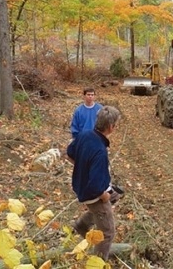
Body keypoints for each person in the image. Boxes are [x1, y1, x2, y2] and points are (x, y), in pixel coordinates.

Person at [67, 105, 121, 260]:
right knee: (107, 232)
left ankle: (81, 225)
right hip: (93, 195)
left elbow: (70, 153)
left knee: (116, 194)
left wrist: (83, 165)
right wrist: (103, 195)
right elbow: (96, 187)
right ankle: (97, 262)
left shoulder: (84, 135)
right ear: (111, 127)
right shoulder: (100, 151)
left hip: (80, 186)